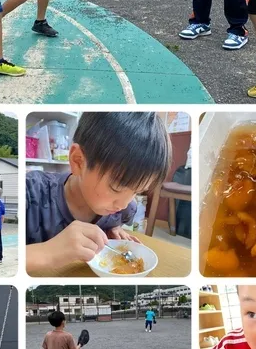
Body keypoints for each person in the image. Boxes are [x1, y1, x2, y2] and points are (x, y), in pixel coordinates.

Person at [26, 113, 171, 276]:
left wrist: (113, 231)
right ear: (78, 161)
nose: (123, 204)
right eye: (116, 188)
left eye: (137, 191)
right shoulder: (31, 194)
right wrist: (48, 252)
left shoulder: (123, 210)